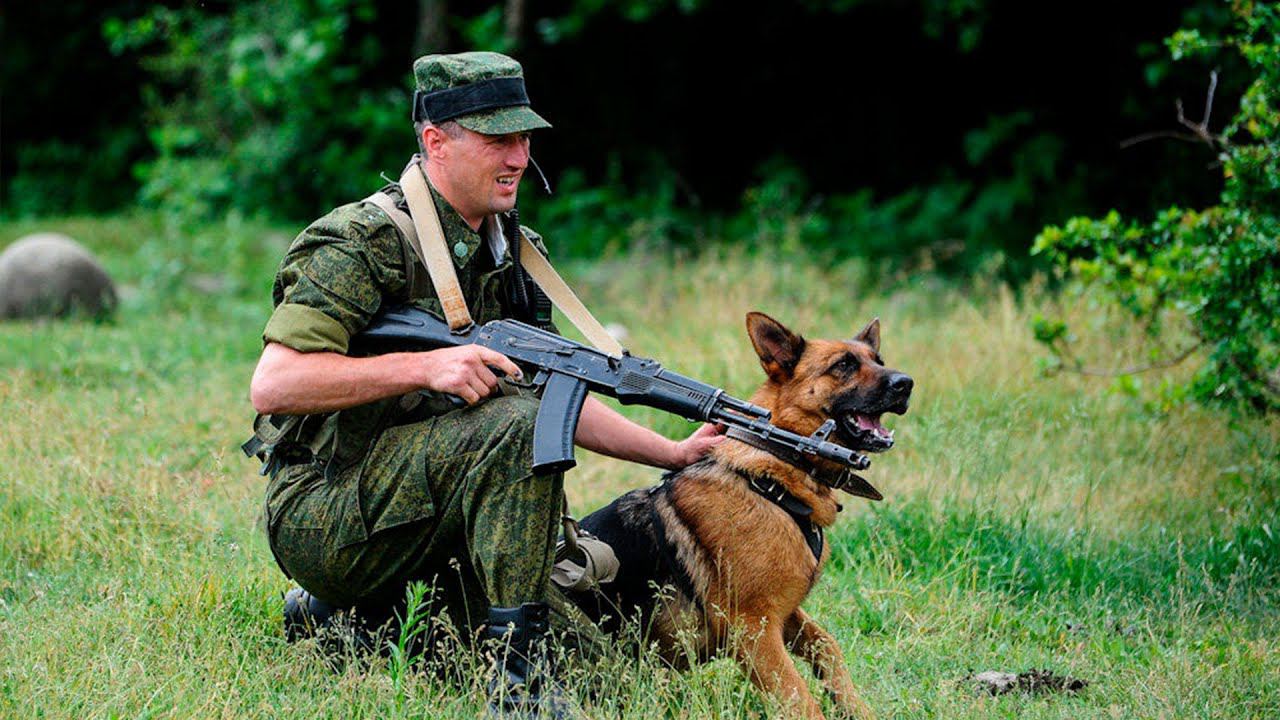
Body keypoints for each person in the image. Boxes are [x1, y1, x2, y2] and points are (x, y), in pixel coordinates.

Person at [246, 51, 722, 712]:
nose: (519, 158)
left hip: (448, 517)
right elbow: (275, 383)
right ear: (436, 141)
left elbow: (552, 397)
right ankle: (514, 685)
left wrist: (671, 452)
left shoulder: (516, 254)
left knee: (609, 685)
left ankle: (344, 623)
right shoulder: (359, 242)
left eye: (524, 138)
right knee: (513, 429)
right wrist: (426, 365)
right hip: (329, 512)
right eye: (498, 139)